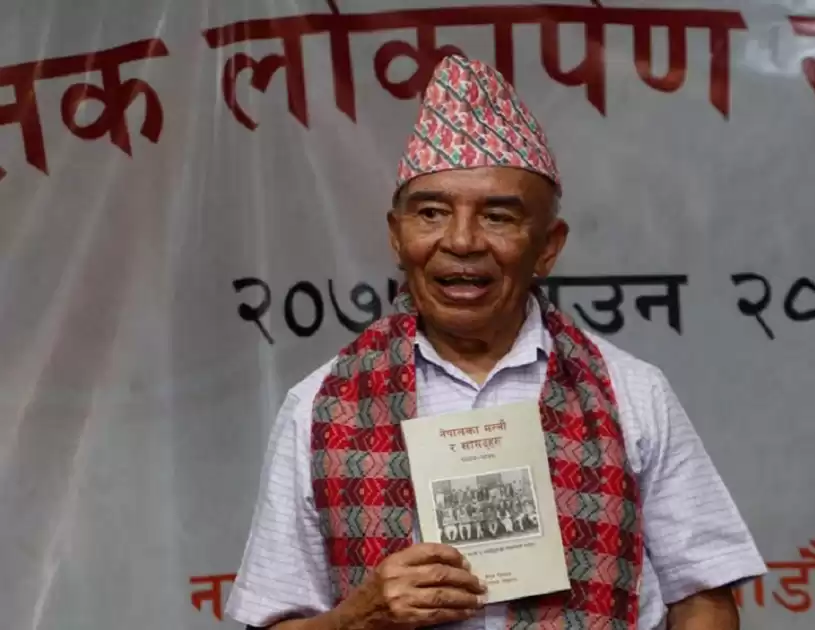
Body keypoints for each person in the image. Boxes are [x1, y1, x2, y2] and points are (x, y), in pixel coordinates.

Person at [225, 54, 766, 630]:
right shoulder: (320, 408)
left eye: (498, 217)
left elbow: (703, 597)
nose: (461, 241)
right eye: (432, 213)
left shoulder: (630, 393)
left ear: (548, 246)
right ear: (396, 236)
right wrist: (359, 617)